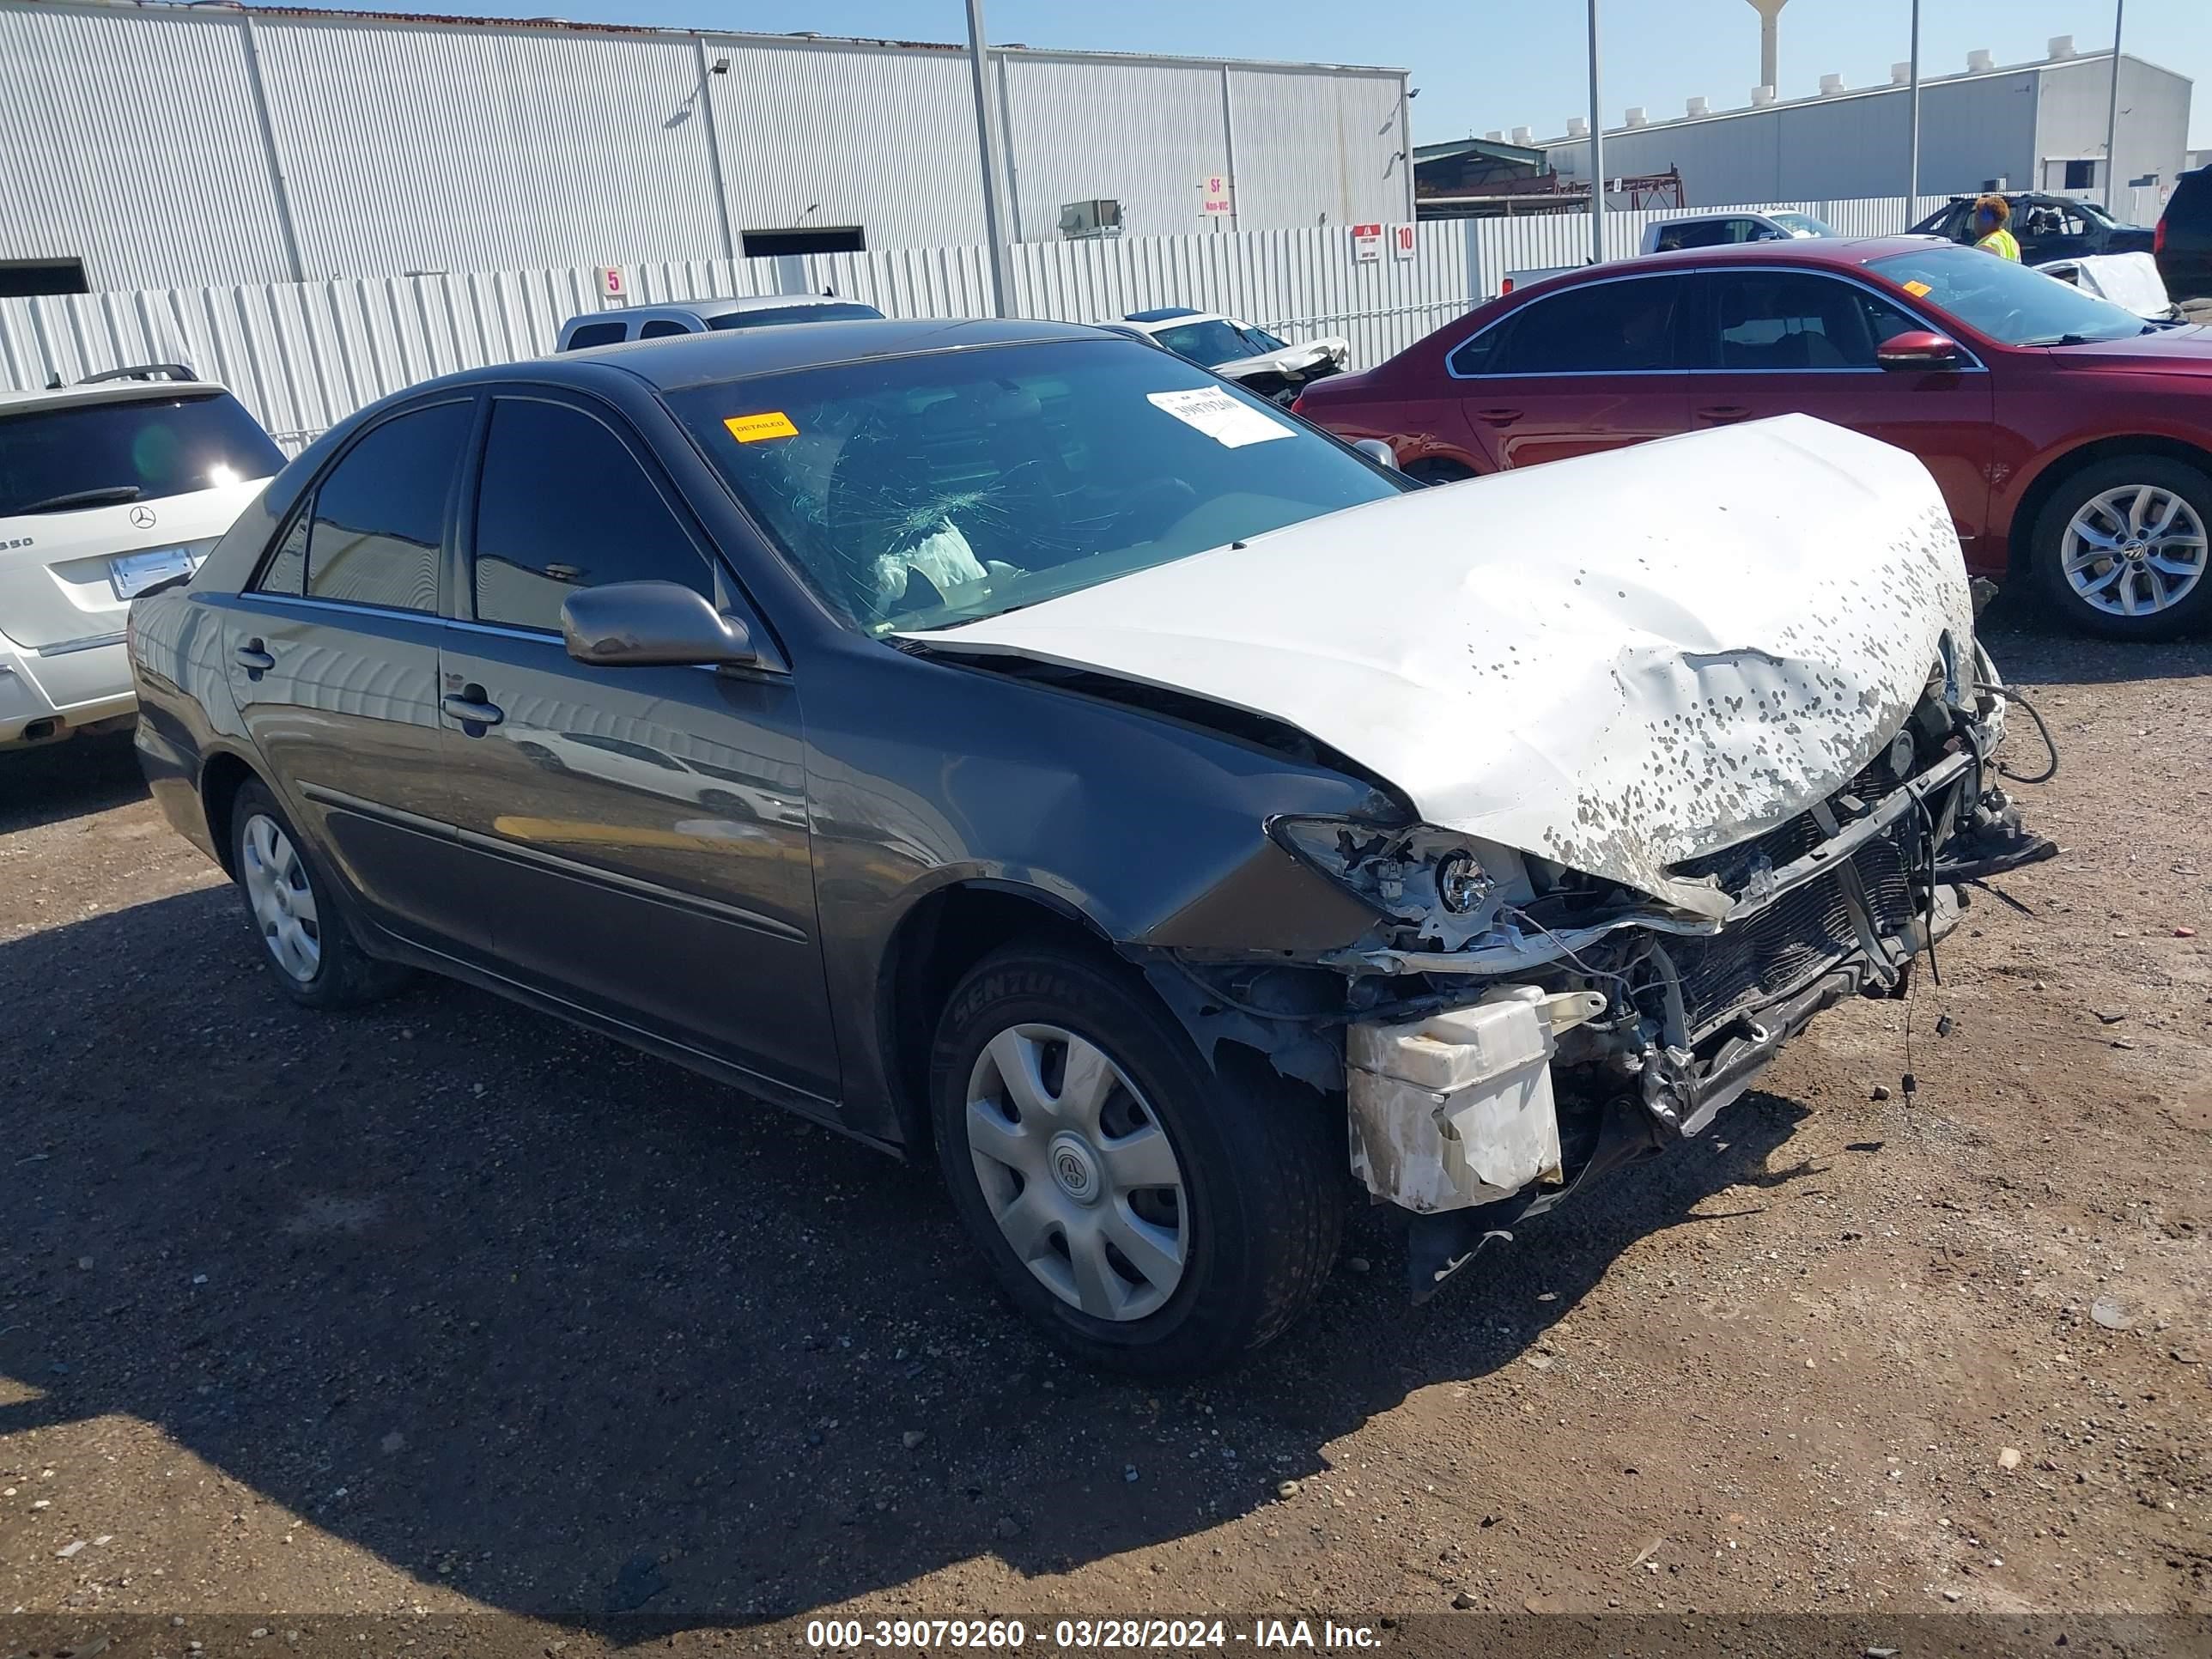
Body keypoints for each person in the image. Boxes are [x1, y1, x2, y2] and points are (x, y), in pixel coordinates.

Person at [1970, 194, 2021, 261]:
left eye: (1977, 217)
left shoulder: (1986, 247)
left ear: (1988, 220)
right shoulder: (2011, 241)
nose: (1975, 223)